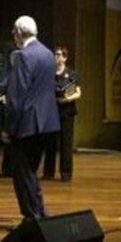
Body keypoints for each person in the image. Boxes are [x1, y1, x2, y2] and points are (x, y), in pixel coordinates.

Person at [1, 15, 60, 219]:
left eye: (13, 33)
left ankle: (33, 218)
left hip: (27, 124)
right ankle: (40, 212)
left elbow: (16, 96)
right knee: (31, 172)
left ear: (18, 33)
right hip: (47, 122)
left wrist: (9, 129)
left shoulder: (24, 55)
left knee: (23, 174)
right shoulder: (47, 54)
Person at [42, 46, 80, 182]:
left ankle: (66, 173)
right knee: (50, 143)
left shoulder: (71, 73)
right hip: (51, 111)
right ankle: (48, 172)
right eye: (55, 55)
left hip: (66, 111)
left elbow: (78, 93)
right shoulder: (49, 73)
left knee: (66, 143)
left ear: (65, 57)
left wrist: (65, 99)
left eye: (59, 55)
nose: (56, 57)